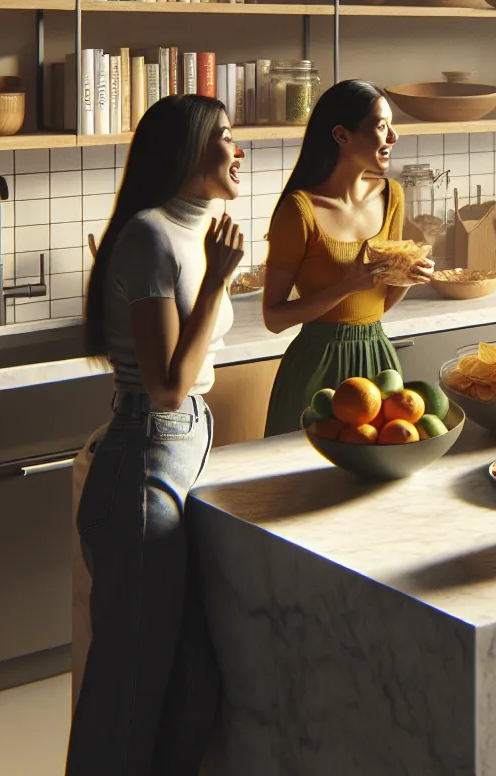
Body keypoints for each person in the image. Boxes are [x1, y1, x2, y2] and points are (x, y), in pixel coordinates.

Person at [70, 95, 246, 775]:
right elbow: (168, 385)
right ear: (187, 150)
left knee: (193, 684)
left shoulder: (193, 229)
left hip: (185, 448)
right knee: (128, 696)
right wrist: (218, 281)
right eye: (225, 138)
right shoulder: (149, 235)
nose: (239, 150)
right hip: (147, 460)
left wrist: (219, 273)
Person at [261, 81, 434, 436]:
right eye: (381, 125)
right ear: (341, 135)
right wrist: (347, 285)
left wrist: (407, 277)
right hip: (316, 366)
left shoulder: (392, 196)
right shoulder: (299, 209)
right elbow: (274, 317)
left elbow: (378, 303)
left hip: (377, 358)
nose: (394, 136)